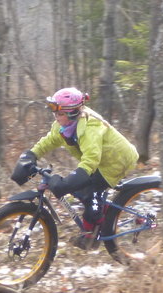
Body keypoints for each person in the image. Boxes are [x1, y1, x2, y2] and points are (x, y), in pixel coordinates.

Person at [10, 87, 139, 250]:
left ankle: (94, 231)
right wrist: (31, 155)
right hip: (101, 161)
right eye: (54, 113)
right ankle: (102, 214)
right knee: (83, 189)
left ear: (72, 113)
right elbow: (48, 141)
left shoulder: (90, 127)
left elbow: (91, 160)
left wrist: (68, 183)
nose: (56, 117)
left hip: (117, 161)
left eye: (60, 113)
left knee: (89, 191)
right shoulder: (62, 126)